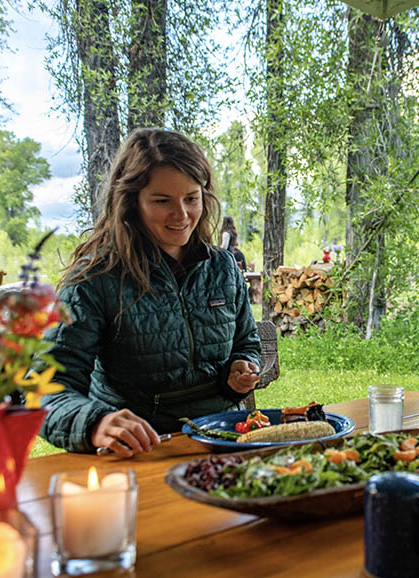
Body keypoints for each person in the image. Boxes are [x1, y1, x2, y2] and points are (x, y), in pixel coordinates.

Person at [39, 128, 261, 457]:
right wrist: (95, 423)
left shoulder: (223, 268)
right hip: (142, 451)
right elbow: (48, 389)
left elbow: (246, 342)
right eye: (162, 201)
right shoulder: (94, 278)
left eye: (191, 198)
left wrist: (242, 365)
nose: (182, 215)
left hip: (227, 440)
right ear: (131, 202)